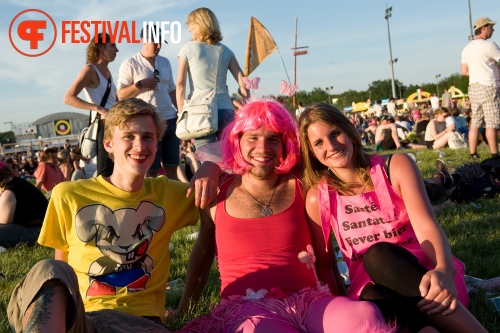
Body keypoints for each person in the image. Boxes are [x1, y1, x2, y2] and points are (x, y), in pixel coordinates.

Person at [177, 99, 392, 333]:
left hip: (309, 300)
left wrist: (340, 299)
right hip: (246, 308)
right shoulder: (216, 191)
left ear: (285, 145)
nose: (263, 148)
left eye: (273, 139)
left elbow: (325, 261)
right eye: (252, 138)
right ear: (236, 142)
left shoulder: (302, 182)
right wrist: (184, 308)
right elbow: (203, 251)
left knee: (365, 317)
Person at [7, 98, 211, 332]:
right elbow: (60, 267)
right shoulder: (69, 194)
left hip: (139, 324)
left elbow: (232, 192)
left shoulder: (170, 194)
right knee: (49, 269)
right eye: (129, 137)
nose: (139, 146)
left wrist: (209, 166)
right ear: (108, 144)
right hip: (80, 318)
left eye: (148, 137)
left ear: (157, 145)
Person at [298, 103, 487, 333]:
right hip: (373, 292)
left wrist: (444, 271)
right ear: (312, 152)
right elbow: (327, 268)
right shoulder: (318, 198)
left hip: (429, 279)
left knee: (378, 255)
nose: (331, 145)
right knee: (372, 299)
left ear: (349, 131)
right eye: (319, 143)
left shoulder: (395, 166)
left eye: (335, 133)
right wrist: (340, 310)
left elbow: (427, 227)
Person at [176, 7, 249, 151]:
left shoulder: (187, 49)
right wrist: (246, 103)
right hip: (226, 110)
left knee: (207, 160)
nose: (189, 29)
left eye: (190, 25)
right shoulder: (226, 50)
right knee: (228, 157)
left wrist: (181, 113)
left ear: (197, 25)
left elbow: (180, 84)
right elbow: (243, 80)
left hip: (200, 110)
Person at [117, 25, 179, 179]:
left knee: (173, 166)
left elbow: (172, 89)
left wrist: (182, 111)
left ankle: (172, 201)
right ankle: (149, 201)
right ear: (143, 41)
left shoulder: (165, 62)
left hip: (170, 119)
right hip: (149, 121)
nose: (158, 46)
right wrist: (140, 85)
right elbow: (121, 94)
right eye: (155, 42)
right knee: (150, 169)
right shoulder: (130, 63)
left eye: (160, 42)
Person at [64, 33, 118, 177]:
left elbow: (114, 100)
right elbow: (69, 98)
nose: (117, 50)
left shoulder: (107, 72)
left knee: (115, 169)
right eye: (112, 45)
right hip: (102, 124)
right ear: (100, 47)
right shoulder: (90, 70)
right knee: (105, 171)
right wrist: (98, 108)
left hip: (114, 123)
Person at [461, 17, 500, 160]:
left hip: (474, 87)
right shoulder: (489, 45)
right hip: (488, 86)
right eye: (491, 27)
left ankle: (473, 153)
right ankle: (495, 154)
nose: (493, 29)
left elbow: (464, 71)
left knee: (475, 121)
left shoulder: (466, 49)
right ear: (483, 28)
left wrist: (478, 71)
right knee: (492, 122)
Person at [0, 161, 48, 247]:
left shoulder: (8, 193)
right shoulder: (16, 182)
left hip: (38, 231)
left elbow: (4, 222)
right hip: (42, 228)